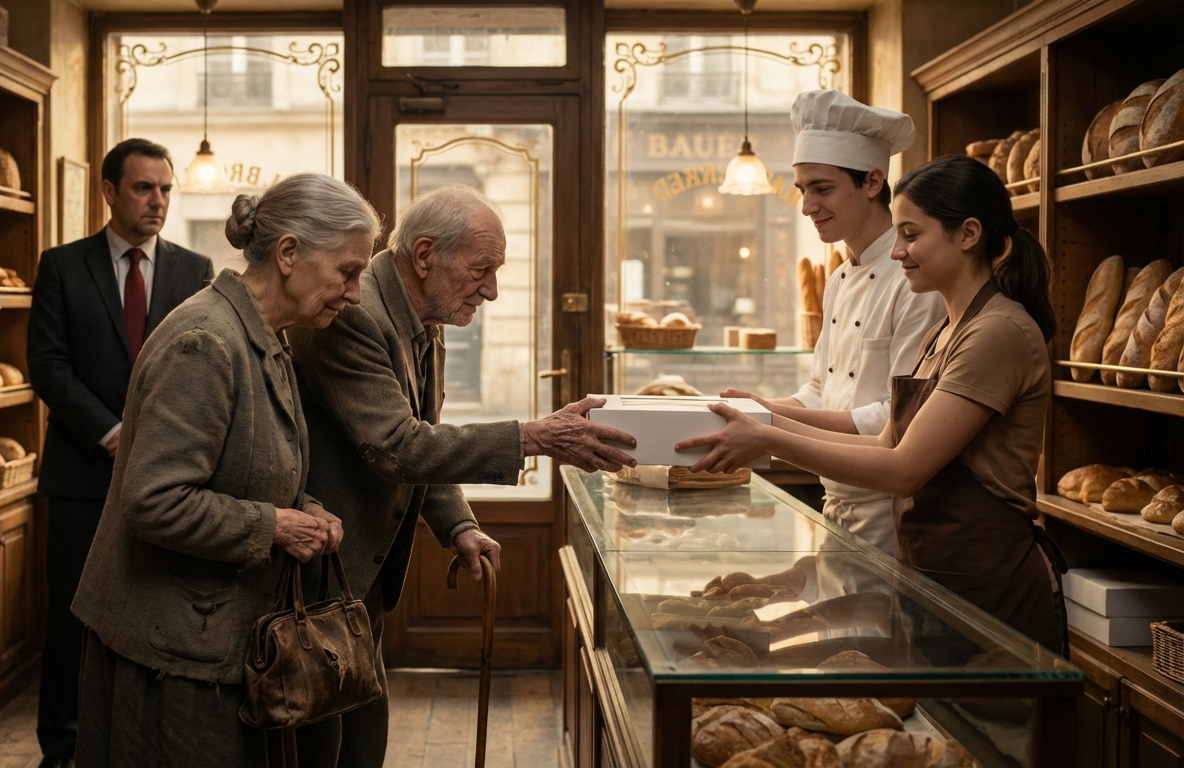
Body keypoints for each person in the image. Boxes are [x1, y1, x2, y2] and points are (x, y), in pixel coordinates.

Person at [288, 185, 636, 766]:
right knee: (324, 744)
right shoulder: (356, 316)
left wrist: (457, 526)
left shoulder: (425, 313)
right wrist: (535, 436)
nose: (493, 290)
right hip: (319, 571)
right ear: (425, 257)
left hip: (355, 577)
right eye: (482, 269)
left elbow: (424, 435)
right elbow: (399, 447)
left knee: (363, 732)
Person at [678, 154, 1065, 654]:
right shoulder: (947, 330)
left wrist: (768, 437)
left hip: (989, 593)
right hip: (936, 583)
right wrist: (765, 419)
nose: (898, 251)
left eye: (911, 234)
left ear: (968, 234)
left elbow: (903, 469)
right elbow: (883, 441)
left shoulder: (997, 333)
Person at [69, 173, 379, 766]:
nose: (356, 293)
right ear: (288, 253)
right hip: (170, 657)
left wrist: (303, 507)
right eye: (347, 271)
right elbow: (154, 501)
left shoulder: (264, 335)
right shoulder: (206, 343)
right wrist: (277, 527)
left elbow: (244, 468)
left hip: (217, 641)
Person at [26, 138, 215, 768]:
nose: (158, 200)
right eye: (143, 188)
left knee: (153, 611)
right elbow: (48, 368)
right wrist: (110, 433)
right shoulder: (62, 265)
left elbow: (203, 372)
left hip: (170, 479)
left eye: (165, 188)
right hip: (83, 473)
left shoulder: (196, 272)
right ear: (109, 192)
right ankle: (62, 750)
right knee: (71, 620)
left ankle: (138, 744)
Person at [722, 90, 944, 557]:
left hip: (891, 509)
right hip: (836, 499)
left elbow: (895, 419)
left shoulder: (916, 278)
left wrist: (767, 421)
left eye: (822, 189)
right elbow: (819, 390)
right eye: (803, 190)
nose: (807, 206)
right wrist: (759, 407)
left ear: (872, 182)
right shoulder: (841, 276)